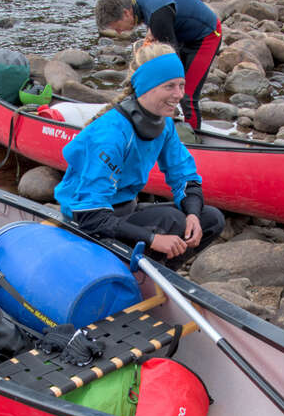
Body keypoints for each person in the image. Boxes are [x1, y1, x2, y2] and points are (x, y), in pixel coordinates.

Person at [54, 42, 224, 265]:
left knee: (211, 218)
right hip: (85, 219)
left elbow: (185, 177)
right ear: (146, 86)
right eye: (170, 86)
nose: (179, 94)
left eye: (181, 86)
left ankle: (161, 276)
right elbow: (90, 214)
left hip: (125, 210)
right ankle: (140, 277)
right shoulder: (111, 135)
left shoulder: (165, 125)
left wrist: (192, 213)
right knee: (172, 221)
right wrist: (152, 238)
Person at [95, 0, 221, 130]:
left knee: (186, 93)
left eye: (117, 27)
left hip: (207, 35)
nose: (119, 33)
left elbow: (173, 62)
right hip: (182, 31)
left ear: (126, 13)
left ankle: (192, 140)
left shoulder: (158, 16)